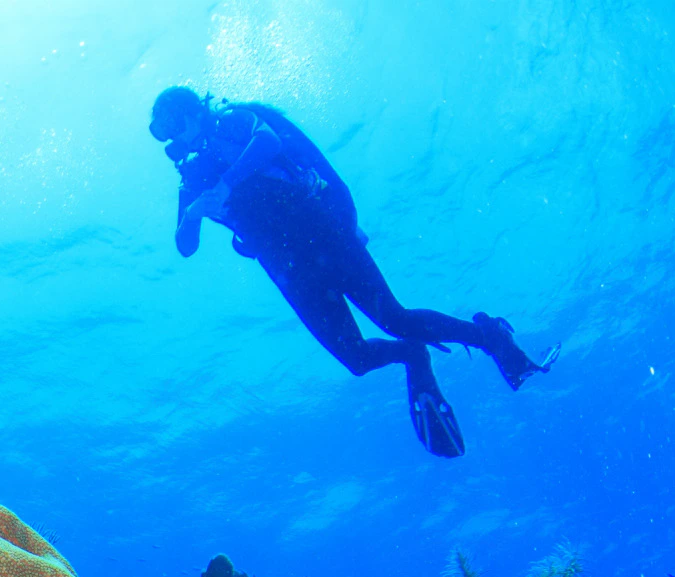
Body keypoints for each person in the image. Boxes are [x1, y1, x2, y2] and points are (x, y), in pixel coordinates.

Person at [149, 86, 554, 457]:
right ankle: (413, 357)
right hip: (287, 269)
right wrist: (193, 216)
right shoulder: (193, 174)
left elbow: (269, 141)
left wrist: (226, 186)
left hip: (323, 233)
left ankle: (490, 337)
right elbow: (185, 247)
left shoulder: (232, 120)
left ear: (190, 112)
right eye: (160, 133)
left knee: (395, 317)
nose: (169, 139)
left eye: (170, 125)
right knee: (354, 358)